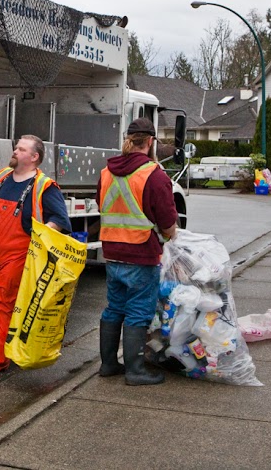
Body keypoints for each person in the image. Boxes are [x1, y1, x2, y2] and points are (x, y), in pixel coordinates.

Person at [0, 135, 71, 373]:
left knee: (3, 302)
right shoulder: (2, 177)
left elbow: (60, 220)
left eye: (21, 149)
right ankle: (13, 347)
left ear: (34, 158)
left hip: (19, 256)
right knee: (9, 304)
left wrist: (40, 236)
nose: (15, 151)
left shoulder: (44, 186)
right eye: (16, 148)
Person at [97, 117, 178, 386]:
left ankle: (109, 364)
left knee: (114, 309)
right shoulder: (154, 175)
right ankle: (135, 371)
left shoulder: (106, 172)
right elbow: (167, 220)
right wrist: (170, 235)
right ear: (151, 141)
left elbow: (102, 205)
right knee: (138, 313)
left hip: (112, 253)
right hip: (141, 254)